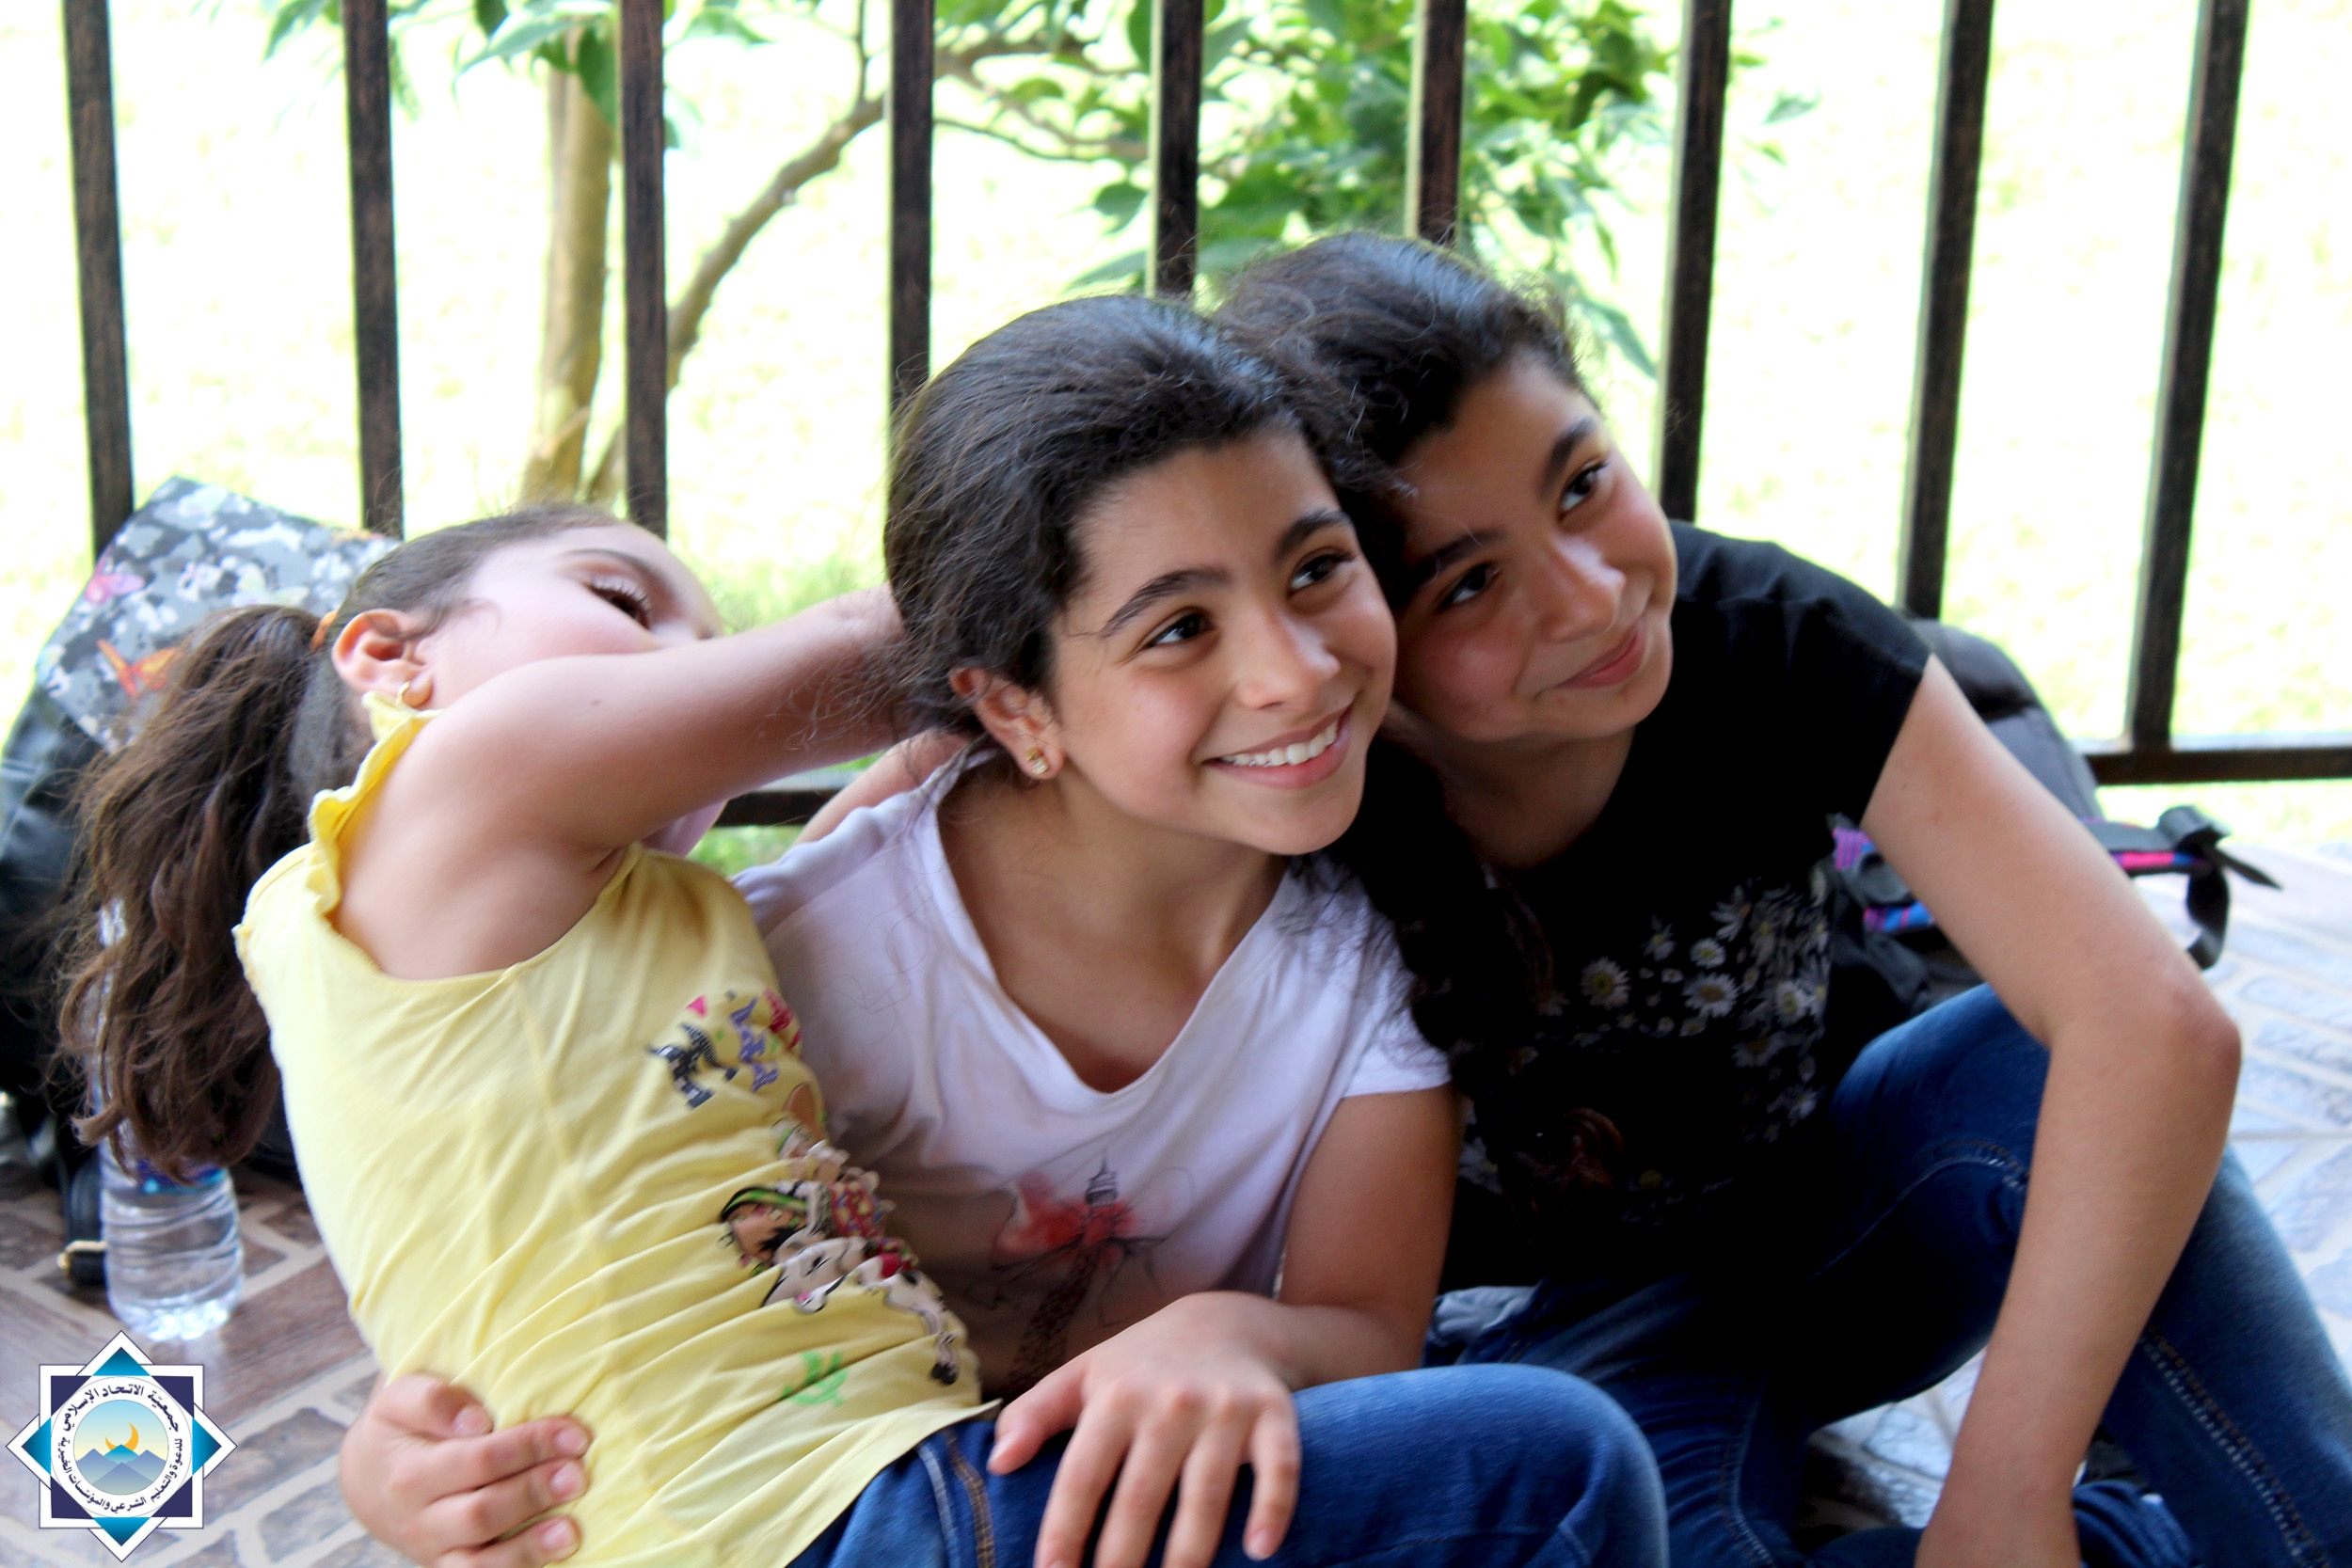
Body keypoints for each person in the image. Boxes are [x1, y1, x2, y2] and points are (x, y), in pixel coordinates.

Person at [212, 299, 1674, 1568]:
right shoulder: (572, 839)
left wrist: (1239, 1334)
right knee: (1559, 1467)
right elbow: (857, 661)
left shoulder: (681, 950)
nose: (699, 666)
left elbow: (551, 1226)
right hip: (853, 1515)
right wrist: (410, 1442)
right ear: (390, 658)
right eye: (623, 602)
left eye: (1317, 569)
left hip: (944, 1483)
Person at [1200, 233, 2352, 1568]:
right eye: (1469, 583)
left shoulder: (1770, 637)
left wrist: (2006, 1487)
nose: (1590, 598)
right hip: (1541, 1362)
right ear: (1344, 628)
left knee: (2046, 1065)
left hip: (1831, 1231)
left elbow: (2151, 1024)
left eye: (1582, 485)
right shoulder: (1291, 789)